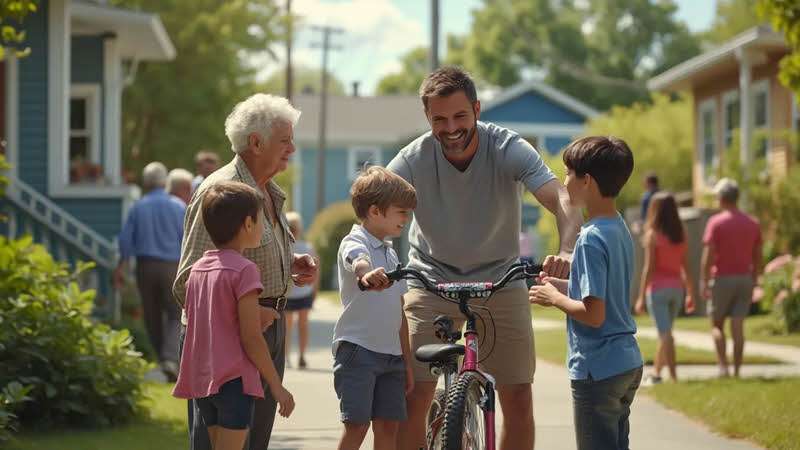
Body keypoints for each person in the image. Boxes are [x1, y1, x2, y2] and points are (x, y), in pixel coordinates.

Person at [386, 66, 582, 449]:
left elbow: (561, 198)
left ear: (476, 109)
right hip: (431, 279)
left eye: (460, 115)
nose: (451, 127)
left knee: (518, 396)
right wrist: (363, 256)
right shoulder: (413, 158)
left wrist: (567, 249)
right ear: (428, 118)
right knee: (414, 394)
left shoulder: (508, 147)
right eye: (439, 119)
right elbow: (373, 201)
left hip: (500, 280)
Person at [173, 93, 319, 450]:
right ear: (256, 142)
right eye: (285, 140)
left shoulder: (268, 192)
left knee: (254, 441)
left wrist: (289, 264)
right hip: (227, 343)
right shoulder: (220, 193)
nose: (293, 148)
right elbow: (190, 281)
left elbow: (240, 261)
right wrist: (249, 316)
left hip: (265, 330)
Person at [529, 136, 643, 450]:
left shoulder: (590, 238)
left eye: (568, 173)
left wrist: (555, 299)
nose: (564, 182)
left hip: (598, 368)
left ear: (587, 181)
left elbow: (594, 315)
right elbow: (599, 294)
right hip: (625, 363)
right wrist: (559, 287)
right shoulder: (617, 226)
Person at [173, 181, 295, 450]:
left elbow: (209, 318)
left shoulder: (198, 270)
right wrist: (276, 386)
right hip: (234, 383)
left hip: (204, 381)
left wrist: (254, 311)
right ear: (248, 224)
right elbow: (251, 338)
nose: (264, 227)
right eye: (262, 220)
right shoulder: (245, 270)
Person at [333, 166, 416, 450]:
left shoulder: (390, 252)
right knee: (357, 426)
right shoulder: (355, 241)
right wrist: (365, 274)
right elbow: (356, 259)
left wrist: (406, 361)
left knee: (388, 428)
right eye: (401, 212)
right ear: (375, 211)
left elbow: (399, 312)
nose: (406, 218)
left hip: (392, 357)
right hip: (359, 351)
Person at [114, 161, 185, 380]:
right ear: (164, 182)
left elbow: (126, 240)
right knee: (175, 313)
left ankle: (163, 358)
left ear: (145, 182)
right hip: (173, 266)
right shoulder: (178, 206)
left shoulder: (138, 206)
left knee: (152, 315)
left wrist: (122, 265)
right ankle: (169, 359)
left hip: (145, 266)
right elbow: (187, 238)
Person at [700, 178, 762, 378]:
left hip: (722, 279)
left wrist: (704, 280)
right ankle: (736, 371)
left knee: (717, 326)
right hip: (745, 279)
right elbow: (758, 255)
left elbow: (708, 256)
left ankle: (723, 368)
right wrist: (755, 278)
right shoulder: (752, 223)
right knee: (738, 326)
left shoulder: (716, 223)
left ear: (721, 198)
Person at [634, 192, 696, 383]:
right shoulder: (681, 233)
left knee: (665, 334)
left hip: (658, 290)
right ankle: (658, 373)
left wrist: (641, 296)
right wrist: (690, 292)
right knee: (666, 333)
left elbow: (649, 268)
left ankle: (674, 377)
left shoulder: (653, 235)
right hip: (677, 290)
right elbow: (686, 265)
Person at [283, 211, 317, 369]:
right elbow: (317, 270)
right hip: (300, 292)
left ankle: (289, 356)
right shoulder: (306, 247)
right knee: (302, 325)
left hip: (292, 292)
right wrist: (314, 290)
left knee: (288, 326)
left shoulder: (285, 246)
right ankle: (299, 355)